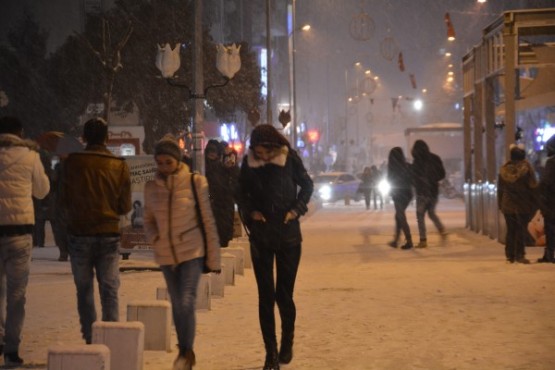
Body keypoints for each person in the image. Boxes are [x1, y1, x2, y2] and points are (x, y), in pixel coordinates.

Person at [238, 124, 313, 370]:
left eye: (261, 151)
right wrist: (251, 214)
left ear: (271, 146)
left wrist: (295, 210)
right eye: (255, 151)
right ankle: (270, 354)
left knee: (284, 295)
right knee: (265, 297)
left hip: (289, 238)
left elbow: (308, 185)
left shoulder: (289, 159)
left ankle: (287, 342)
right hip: (261, 238)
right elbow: (240, 194)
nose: (259, 155)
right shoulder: (249, 164)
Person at [143, 135, 221, 370]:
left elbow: (208, 219)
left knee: (186, 301)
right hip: (166, 254)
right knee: (177, 303)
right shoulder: (150, 187)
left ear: (177, 160)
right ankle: (184, 349)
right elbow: (148, 221)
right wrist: (155, 239)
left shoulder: (197, 183)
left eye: (168, 162)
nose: (164, 167)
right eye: (160, 162)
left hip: (191, 251)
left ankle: (186, 351)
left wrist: (213, 257)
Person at [59, 117, 132, 344]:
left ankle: (90, 337)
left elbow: (62, 200)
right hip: (108, 233)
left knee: (84, 289)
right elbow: (125, 206)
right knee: (109, 287)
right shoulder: (119, 165)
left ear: (84, 138)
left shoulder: (71, 164)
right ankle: (109, 337)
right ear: (107, 138)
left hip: (79, 233)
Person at [0, 116, 50, 366]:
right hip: (20, 232)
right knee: (16, 295)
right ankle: (11, 350)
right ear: (20, 133)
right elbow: (42, 190)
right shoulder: (30, 156)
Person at [497, 143, 538, 264]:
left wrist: (500, 204)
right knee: (520, 229)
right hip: (523, 204)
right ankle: (520, 254)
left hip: (508, 204)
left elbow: (500, 190)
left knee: (511, 229)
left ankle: (510, 255)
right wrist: (535, 204)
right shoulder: (527, 170)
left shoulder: (504, 171)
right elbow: (533, 187)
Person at [410, 139, 447, 248]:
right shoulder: (435, 158)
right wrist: (433, 179)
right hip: (433, 191)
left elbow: (413, 177)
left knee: (420, 216)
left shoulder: (417, 161)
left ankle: (423, 240)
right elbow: (442, 174)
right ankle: (441, 229)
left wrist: (418, 182)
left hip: (422, 192)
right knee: (431, 213)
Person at [205, 139, 236, 247]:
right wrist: (211, 198)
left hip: (223, 208)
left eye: (214, 152)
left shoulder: (224, 167)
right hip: (211, 207)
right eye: (210, 152)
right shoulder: (202, 167)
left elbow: (234, 182)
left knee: (223, 239)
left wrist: (232, 162)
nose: (212, 154)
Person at [387, 147, 414, 249]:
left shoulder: (393, 168)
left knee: (400, 216)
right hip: (407, 194)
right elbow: (411, 179)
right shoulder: (406, 166)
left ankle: (408, 240)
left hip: (398, 195)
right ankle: (397, 240)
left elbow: (391, 181)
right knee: (399, 216)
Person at [536, 134, 555, 263]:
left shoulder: (551, 162)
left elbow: (546, 183)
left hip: (551, 202)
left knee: (550, 228)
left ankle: (549, 254)